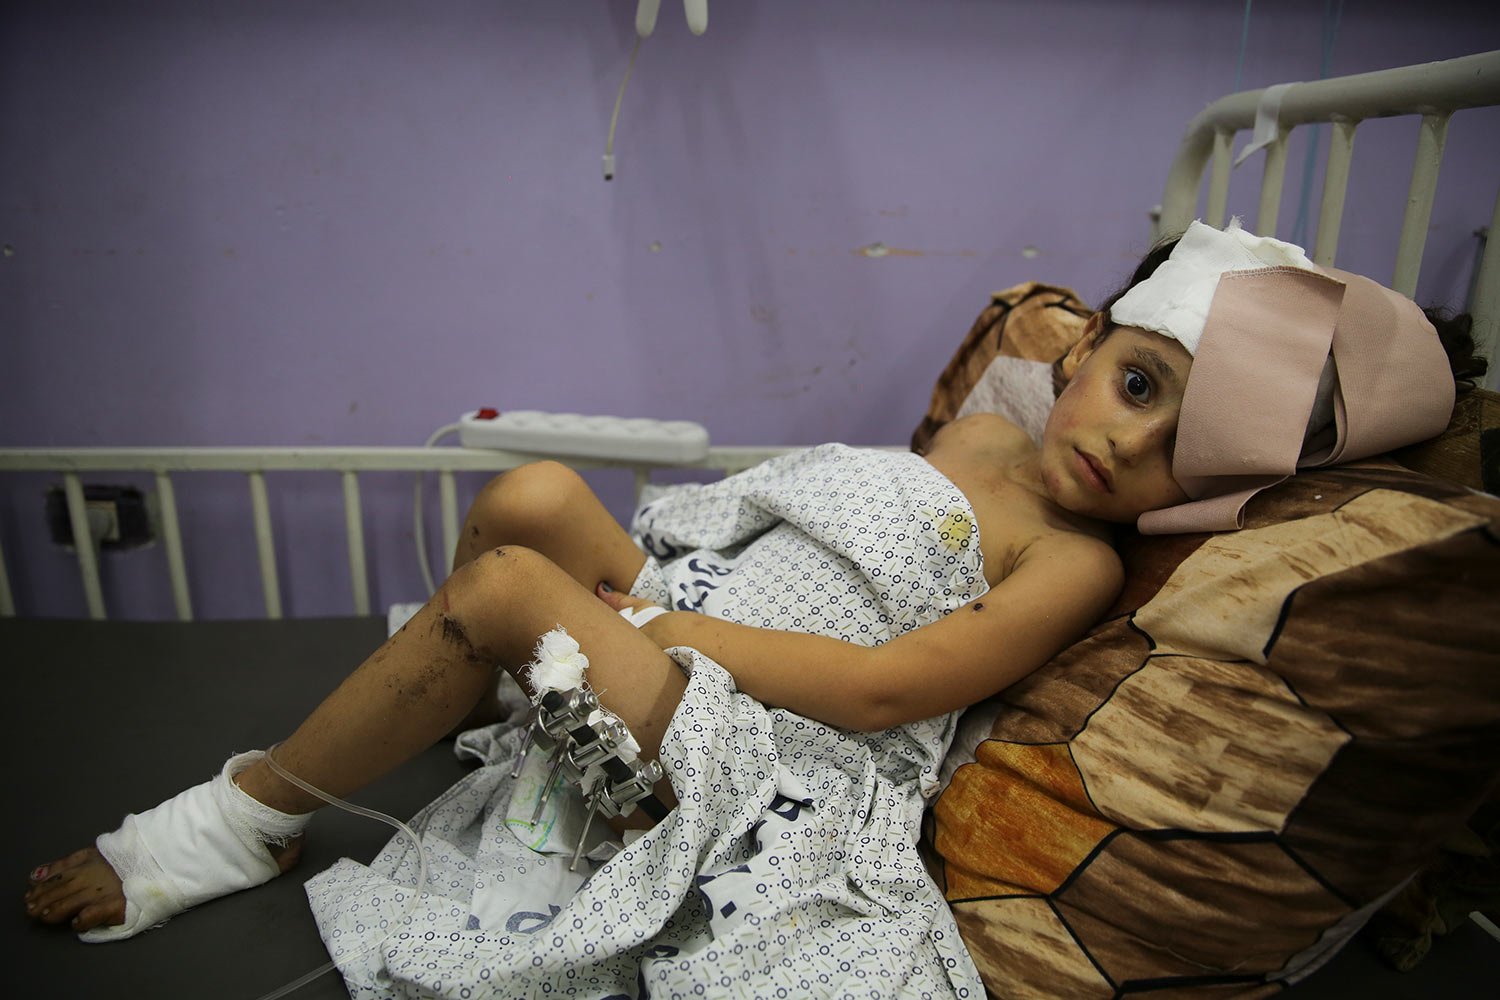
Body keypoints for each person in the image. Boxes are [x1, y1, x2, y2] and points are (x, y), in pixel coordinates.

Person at [23, 221, 1480, 995]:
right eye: (1135, 383)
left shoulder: (1080, 562)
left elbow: (895, 688)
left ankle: (247, 817)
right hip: (707, 601)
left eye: (1179, 450)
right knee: (532, 493)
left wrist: (682, 640)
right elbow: (940, 413)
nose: (1123, 441)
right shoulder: (1002, 423)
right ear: (1092, 345)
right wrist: (1046, 328)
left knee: (508, 585)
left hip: (781, 733)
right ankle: (486, 677)